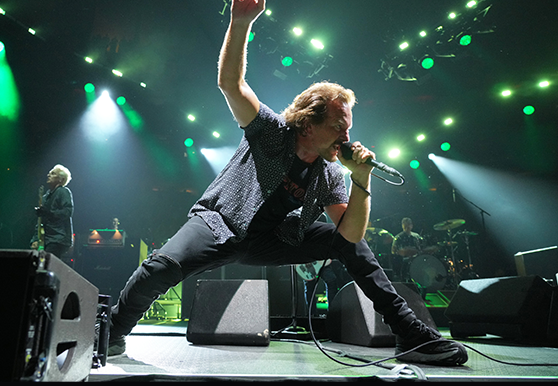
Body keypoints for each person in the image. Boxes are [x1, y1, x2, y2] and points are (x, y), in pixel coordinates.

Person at [107, 0, 467, 366]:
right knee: (161, 268)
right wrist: (241, 20)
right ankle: (111, 333)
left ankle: (409, 332)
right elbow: (230, 83)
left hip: (274, 240)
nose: (346, 136)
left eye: (349, 128)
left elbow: (351, 235)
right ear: (309, 124)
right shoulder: (272, 134)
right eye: (338, 127)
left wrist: (360, 179)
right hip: (220, 224)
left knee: (349, 244)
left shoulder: (329, 173)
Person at [30, 164, 74, 259]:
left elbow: (67, 212)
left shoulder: (63, 191)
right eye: (49, 173)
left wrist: (49, 212)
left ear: (61, 179)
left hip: (59, 239)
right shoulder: (46, 197)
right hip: (47, 239)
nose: (48, 175)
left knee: (46, 262)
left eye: (53, 173)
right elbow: (40, 221)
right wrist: (35, 239)